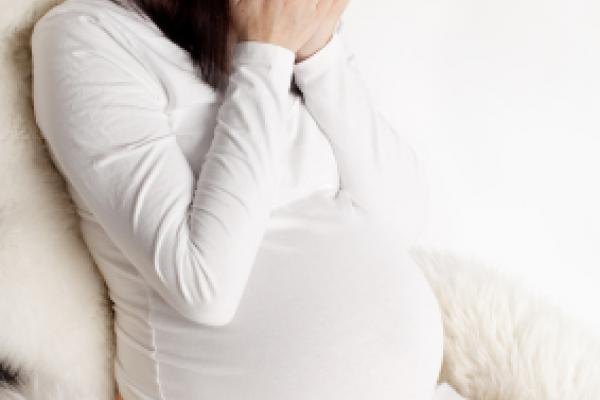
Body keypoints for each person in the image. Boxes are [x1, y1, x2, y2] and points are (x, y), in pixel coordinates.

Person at [31, 0, 465, 398]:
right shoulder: (86, 35)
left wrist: (319, 55)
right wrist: (265, 56)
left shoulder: (265, 19)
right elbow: (204, 287)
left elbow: (402, 220)